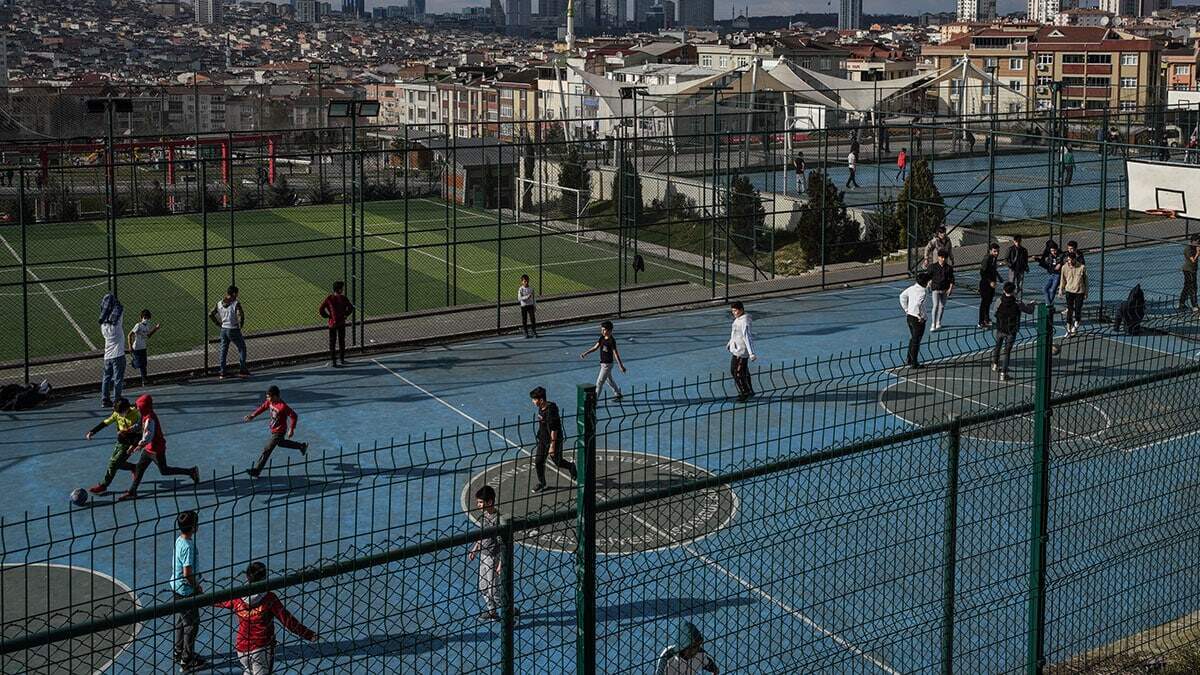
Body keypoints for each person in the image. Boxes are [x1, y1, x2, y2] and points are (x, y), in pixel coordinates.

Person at [214, 561, 318, 674]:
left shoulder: (237, 597)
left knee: (248, 671)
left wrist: (200, 597)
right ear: (265, 577)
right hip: (261, 648)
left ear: (247, 576)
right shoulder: (269, 599)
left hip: (241, 648)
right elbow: (288, 620)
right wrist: (308, 634)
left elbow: (220, 601)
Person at [119, 394, 199, 501]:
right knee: (139, 468)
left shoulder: (150, 419)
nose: (137, 408)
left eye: (139, 406)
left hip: (156, 449)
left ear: (144, 406)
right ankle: (132, 491)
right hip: (149, 448)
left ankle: (191, 471)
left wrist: (139, 445)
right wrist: (128, 430)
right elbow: (139, 426)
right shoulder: (144, 415)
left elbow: (149, 435)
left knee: (164, 470)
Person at [467, 485, 514, 622]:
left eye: (481, 502)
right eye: (478, 502)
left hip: (494, 557)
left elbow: (503, 544)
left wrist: (501, 563)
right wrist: (475, 549)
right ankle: (492, 611)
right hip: (484, 555)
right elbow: (482, 535)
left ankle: (511, 612)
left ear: (490, 502)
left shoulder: (497, 520)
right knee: (483, 586)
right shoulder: (484, 516)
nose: (478, 505)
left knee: (494, 589)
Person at [243, 386, 308, 478]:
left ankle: (257, 470)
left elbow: (294, 416)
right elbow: (263, 407)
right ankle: (301, 446)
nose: (267, 398)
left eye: (269, 396)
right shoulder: (270, 402)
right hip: (274, 429)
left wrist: (291, 429)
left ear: (275, 396)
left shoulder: (282, 407)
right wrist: (252, 415)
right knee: (281, 443)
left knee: (267, 449)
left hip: (279, 431)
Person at [171, 510, 206, 672]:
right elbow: (187, 572)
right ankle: (187, 660)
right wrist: (196, 586)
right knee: (192, 624)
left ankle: (178, 651)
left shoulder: (179, 540)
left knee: (181, 621)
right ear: (193, 527)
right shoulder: (188, 546)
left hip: (176, 588)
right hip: (186, 590)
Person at [85, 398, 140, 495]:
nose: (118, 414)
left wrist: (133, 445)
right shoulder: (117, 413)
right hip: (120, 442)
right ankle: (134, 467)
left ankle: (103, 485)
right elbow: (106, 422)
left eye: (120, 412)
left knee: (113, 463)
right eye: (117, 412)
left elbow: (140, 434)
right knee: (117, 463)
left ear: (127, 409)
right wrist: (92, 431)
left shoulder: (136, 415)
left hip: (130, 444)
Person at [529, 387, 576, 493]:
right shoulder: (541, 407)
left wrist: (552, 445)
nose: (532, 401)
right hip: (543, 440)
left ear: (541, 400)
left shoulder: (551, 410)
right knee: (539, 462)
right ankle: (542, 483)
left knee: (557, 462)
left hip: (554, 440)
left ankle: (571, 466)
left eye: (534, 399)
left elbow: (554, 430)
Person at [992, 282, 1034, 382]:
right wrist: (1032, 305)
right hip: (1011, 330)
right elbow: (1029, 310)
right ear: (1014, 291)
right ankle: (1003, 373)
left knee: (997, 346)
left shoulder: (999, 300)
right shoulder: (1017, 303)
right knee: (1007, 352)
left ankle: (995, 364)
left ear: (1004, 290)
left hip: (1000, 328)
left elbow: (994, 313)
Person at [580, 320, 626, 402]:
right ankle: (618, 394)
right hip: (603, 364)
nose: (602, 331)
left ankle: (594, 401)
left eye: (604, 329)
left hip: (607, 365)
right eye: (601, 329)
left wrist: (621, 366)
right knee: (609, 380)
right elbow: (595, 348)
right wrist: (586, 353)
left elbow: (616, 354)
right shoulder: (601, 338)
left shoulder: (612, 341)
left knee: (599, 382)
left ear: (610, 330)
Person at [210, 285, 249, 379]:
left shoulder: (219, 303)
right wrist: (240, 326)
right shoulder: (235, 303)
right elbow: (241, 315)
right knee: (242, 348)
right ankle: (242, 369)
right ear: (234, 294)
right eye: (237, 294)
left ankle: (222, 372)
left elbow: (211, 313)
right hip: (233, 329)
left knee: (223, 350)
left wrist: (218, 323)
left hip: (223, 329)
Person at [318, 281, 355, 367]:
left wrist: (328, 316)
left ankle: (333, 360)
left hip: (332, 324)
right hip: (341, 323)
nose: (343, 290)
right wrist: (345, 314)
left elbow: (321, 309)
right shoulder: (343, 298)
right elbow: (351, 308)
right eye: (342, 288)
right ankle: (342, 359)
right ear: (339, 289)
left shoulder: (329, 298)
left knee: (332, 342)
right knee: (342, 341)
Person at [899, 272, 931, 369]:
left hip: (909, 316)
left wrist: (906, 309)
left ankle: (909, 358)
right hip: (917, 319)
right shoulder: (924, 291)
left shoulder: (912, 288)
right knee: (916, 340)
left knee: (913, 338)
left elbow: (902, 296)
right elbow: (918, 304)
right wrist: (919, 316)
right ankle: (914, 362)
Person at [99, 292, 126, 408]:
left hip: (107, 356)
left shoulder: (103, 327)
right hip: (118, 354)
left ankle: (105, 399)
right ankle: (117, 399)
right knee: (118, 378)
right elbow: (120, 309)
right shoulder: (117, 325)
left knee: (106, 378)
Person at [727, 301, 756, 402]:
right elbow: (735, 333)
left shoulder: (744, 321)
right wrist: (730, 343)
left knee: (737, 372)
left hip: (741, 351)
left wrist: (751, 353)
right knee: (743, 371)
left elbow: (747, 336)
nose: (734, 313)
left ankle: (744, 392)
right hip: (736, 349)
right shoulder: (738, 319)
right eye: (733, 311)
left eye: (735, 310)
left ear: (741, 310)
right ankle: (749, 390)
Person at [127, 309, 160, 387]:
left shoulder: (147, 326)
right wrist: (130, 346)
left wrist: (155, 328)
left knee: (144, 364)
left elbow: (148, 336)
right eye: (145, 317)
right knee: (140, 365)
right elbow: (129, 335)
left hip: (143, 347)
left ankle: (144, 380)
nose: (146, 319)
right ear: (141, 317)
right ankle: (133, 363)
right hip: (137, 347)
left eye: (147, 317)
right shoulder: (138, 325)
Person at [1058, 251, 1087, 335]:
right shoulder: (1064, 267)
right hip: (1069, 291)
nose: (1069, 262)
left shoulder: (1082, 267)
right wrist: (1061, 289)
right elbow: (1062, 279)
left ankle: (1076, 324)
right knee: (1069, 310)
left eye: (1071, 260)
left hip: (1079, 291)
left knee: (1078, 309)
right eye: (1068, 260)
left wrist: (1086, 292)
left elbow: (1086, 281)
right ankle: (1068, 329)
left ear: (1075, 259)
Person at [928, 249, 955, 331]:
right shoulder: (933, 267)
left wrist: (950, 288)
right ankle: (933, 323)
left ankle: (938, 322)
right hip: (935, 289)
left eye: (945, 258)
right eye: (942, 257)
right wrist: (929, 282)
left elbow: (952, 279)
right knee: (935, 305)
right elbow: (928, 276)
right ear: (938, 257)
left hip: (944, 289)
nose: (943, 259)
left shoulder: (949, 268)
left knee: (942, 306)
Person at [978, 243, 1001, 329]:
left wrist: (997, 279)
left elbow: (993, 270)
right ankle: (981, 322)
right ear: (990, 251)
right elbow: (982, 272)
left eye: (998, 251)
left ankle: (987, 319)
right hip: (985, 284)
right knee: (984, 303)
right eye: (995, 251)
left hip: (992, 284)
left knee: (988, 302)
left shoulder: (994, 258)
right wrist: (990, 281)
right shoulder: (987, 258)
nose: (996, 253)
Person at [1039, 240, 1063, 309]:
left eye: (1054, 250)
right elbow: (1047, 265)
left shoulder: (1061, 255)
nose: (1053, 252)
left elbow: (1064, 260)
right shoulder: (1050, 256)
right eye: (1052, 251)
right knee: (1045, 288)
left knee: (1052, 290)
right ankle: (1049, 304)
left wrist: (1060, 264)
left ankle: (1049, 305)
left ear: (1057, 250)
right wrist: (1038, 259)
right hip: (1051, 274)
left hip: (1058, 275)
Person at [1180, 237, 1198, 312]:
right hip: (1188, 270)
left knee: (1187, 287)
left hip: (1193, 270)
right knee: (1192, 288)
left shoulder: (1195, 247)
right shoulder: (1188, 249)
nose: (1198, 244)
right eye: (1197, 242)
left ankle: (1182, 303)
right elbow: (1193, 260)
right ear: (1192, 241)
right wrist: (1198, 253)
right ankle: (1194, 305)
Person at [517, 274, 538, 338]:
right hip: (524, 306)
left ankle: (533, 330)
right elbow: (519, 298)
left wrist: (534, 305)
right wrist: (526, 297)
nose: (526, 282)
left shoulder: (531, 289)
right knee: (524, 319)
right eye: (524, 281)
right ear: (522, 282)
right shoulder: (521, 289)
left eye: (527, 281)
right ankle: (525, 331)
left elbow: (534, 298)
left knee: (532, 318)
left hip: (530, 305)